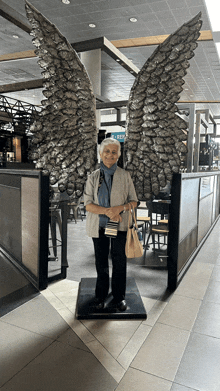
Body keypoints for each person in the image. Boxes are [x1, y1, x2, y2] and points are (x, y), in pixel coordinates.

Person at [84, 138, 138, 311]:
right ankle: (100, 296)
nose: (110, 155)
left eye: (114, 152)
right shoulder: (93, 177)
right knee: (101, 263)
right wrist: (107, 211)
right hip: (99, 226)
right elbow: (88, 204)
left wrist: (119, 208)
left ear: (119, 155)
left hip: (120, 227)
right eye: (106, 151)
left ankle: (118, 297)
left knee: (119, 262)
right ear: (100, 154)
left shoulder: (125, 175)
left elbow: (134, 201)